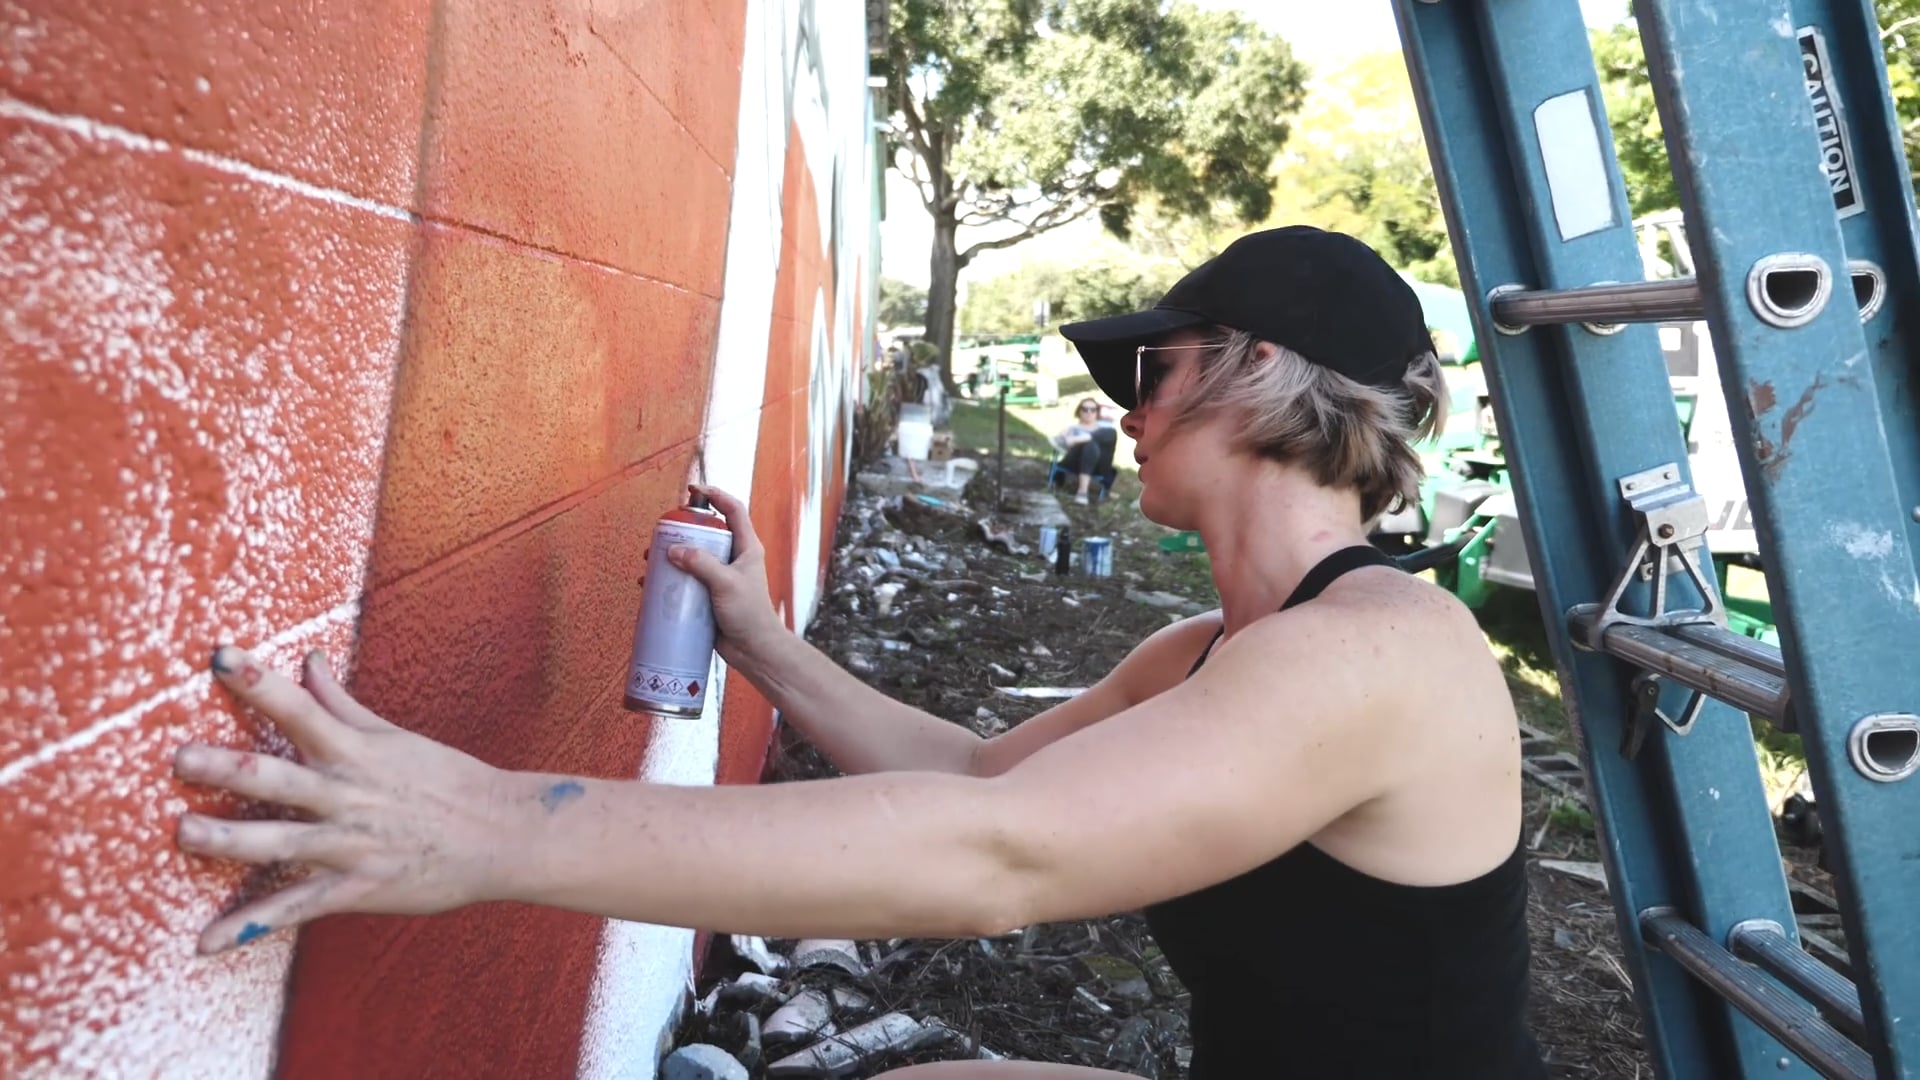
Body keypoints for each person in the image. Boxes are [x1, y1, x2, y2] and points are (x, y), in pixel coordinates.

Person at [173, 226, 1547, 1078]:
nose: (1122, 411)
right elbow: (978, 776)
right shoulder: (1207, 650)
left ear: (1256, 373)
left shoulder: (1379, 655)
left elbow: (1000, 859)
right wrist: (762, 643)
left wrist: (478, 826)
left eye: (1152, 369)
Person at [1051, 398, 1118, 503]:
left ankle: (1082, 492)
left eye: (1093, 409)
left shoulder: (1106, 431)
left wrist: (1075, 439)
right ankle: (1082, 492)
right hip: (1075, 463)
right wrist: (1068, 440)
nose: (1089, 412)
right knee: (1090, 445)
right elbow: (1058, 444)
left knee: (1109, 434)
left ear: (1097, 412)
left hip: (1099, 466)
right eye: (1085, 409)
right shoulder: (1071, 428)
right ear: (1079, 411)